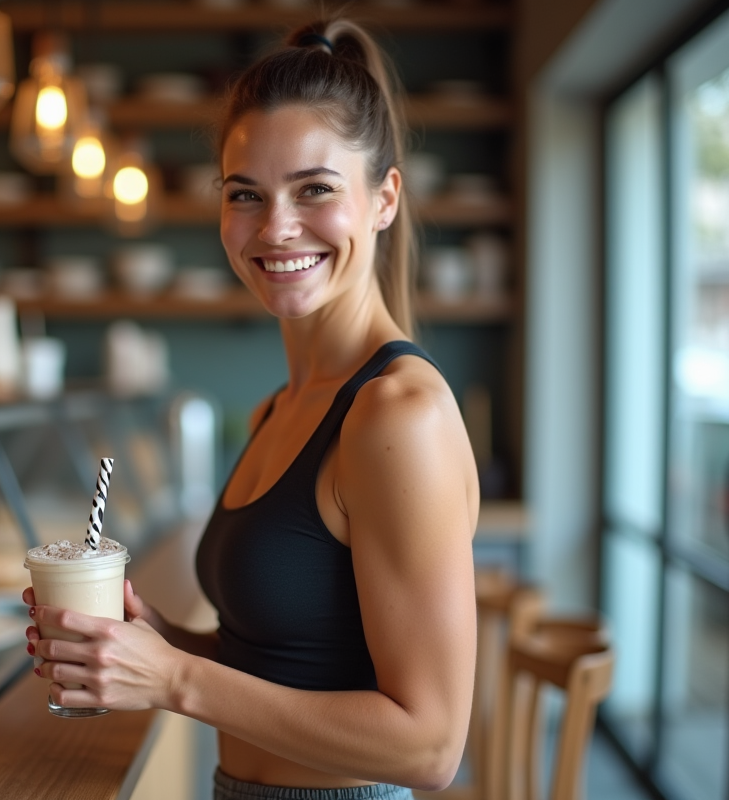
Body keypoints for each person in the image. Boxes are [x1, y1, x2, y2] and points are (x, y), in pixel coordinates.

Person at [25, 16, 479, 800]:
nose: (275, 228)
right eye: (246, 194)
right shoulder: (284, 405)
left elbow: (430, 746)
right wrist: (158, 640)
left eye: (315, 190)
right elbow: (285, 660)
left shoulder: (398, 415)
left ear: (384, 199)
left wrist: (174, 680)